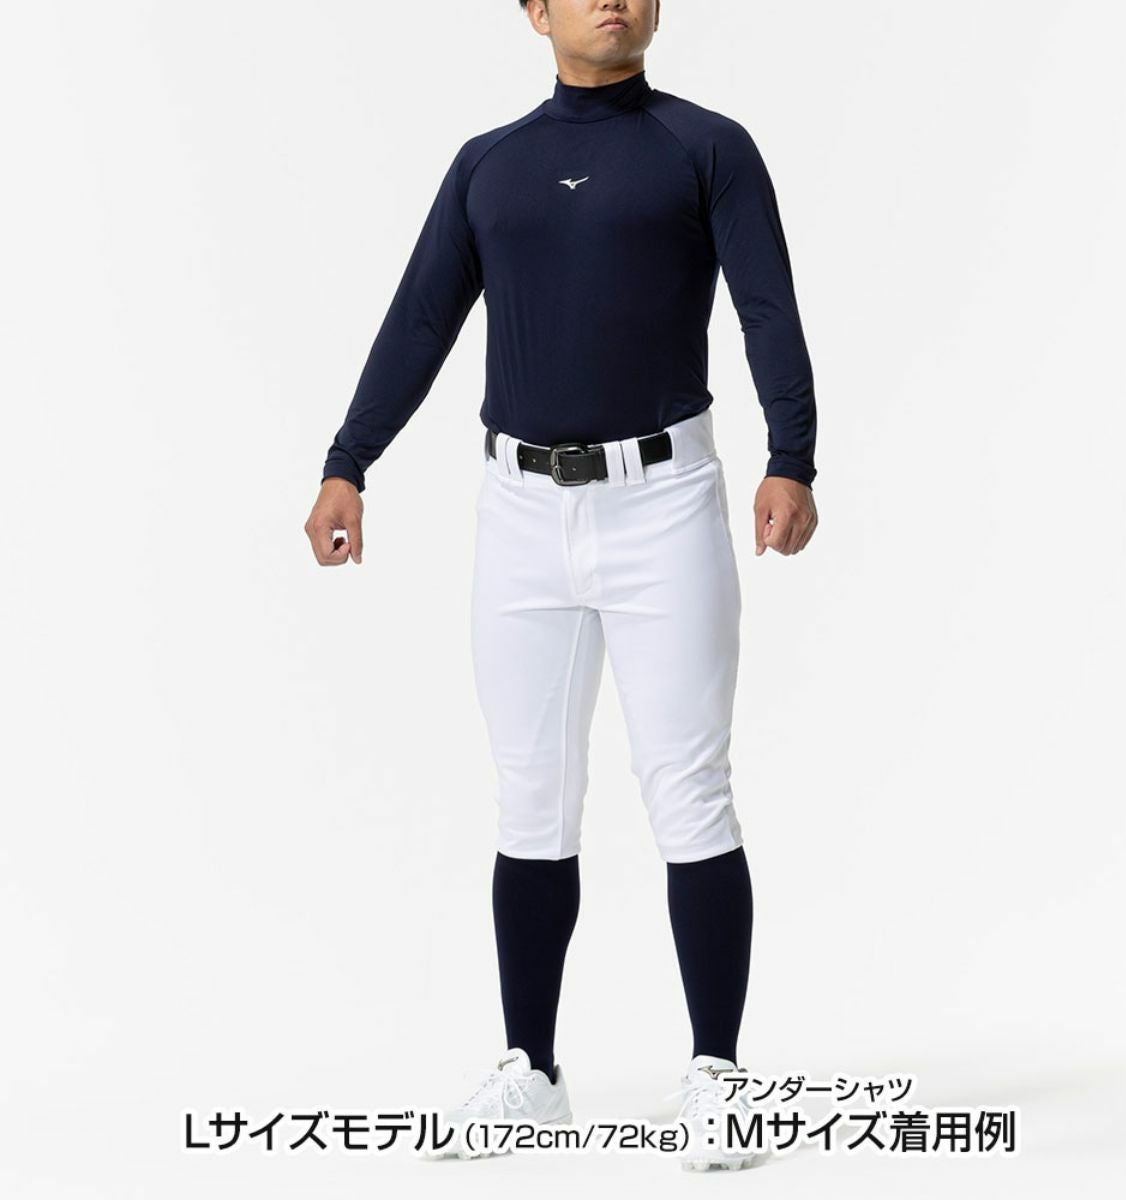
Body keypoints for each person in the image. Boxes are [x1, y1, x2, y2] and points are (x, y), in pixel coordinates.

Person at [303, 0, 818, 1171]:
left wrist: (792, 455)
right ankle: (531, 1072)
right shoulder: (489, 166)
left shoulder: (706, 148)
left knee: (689, 788)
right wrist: (348, 462)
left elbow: (766, 308)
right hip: (521, 511)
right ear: (533, 11)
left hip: (664, 501)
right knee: (532, 796)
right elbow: (421, 319)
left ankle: (718, 1075)